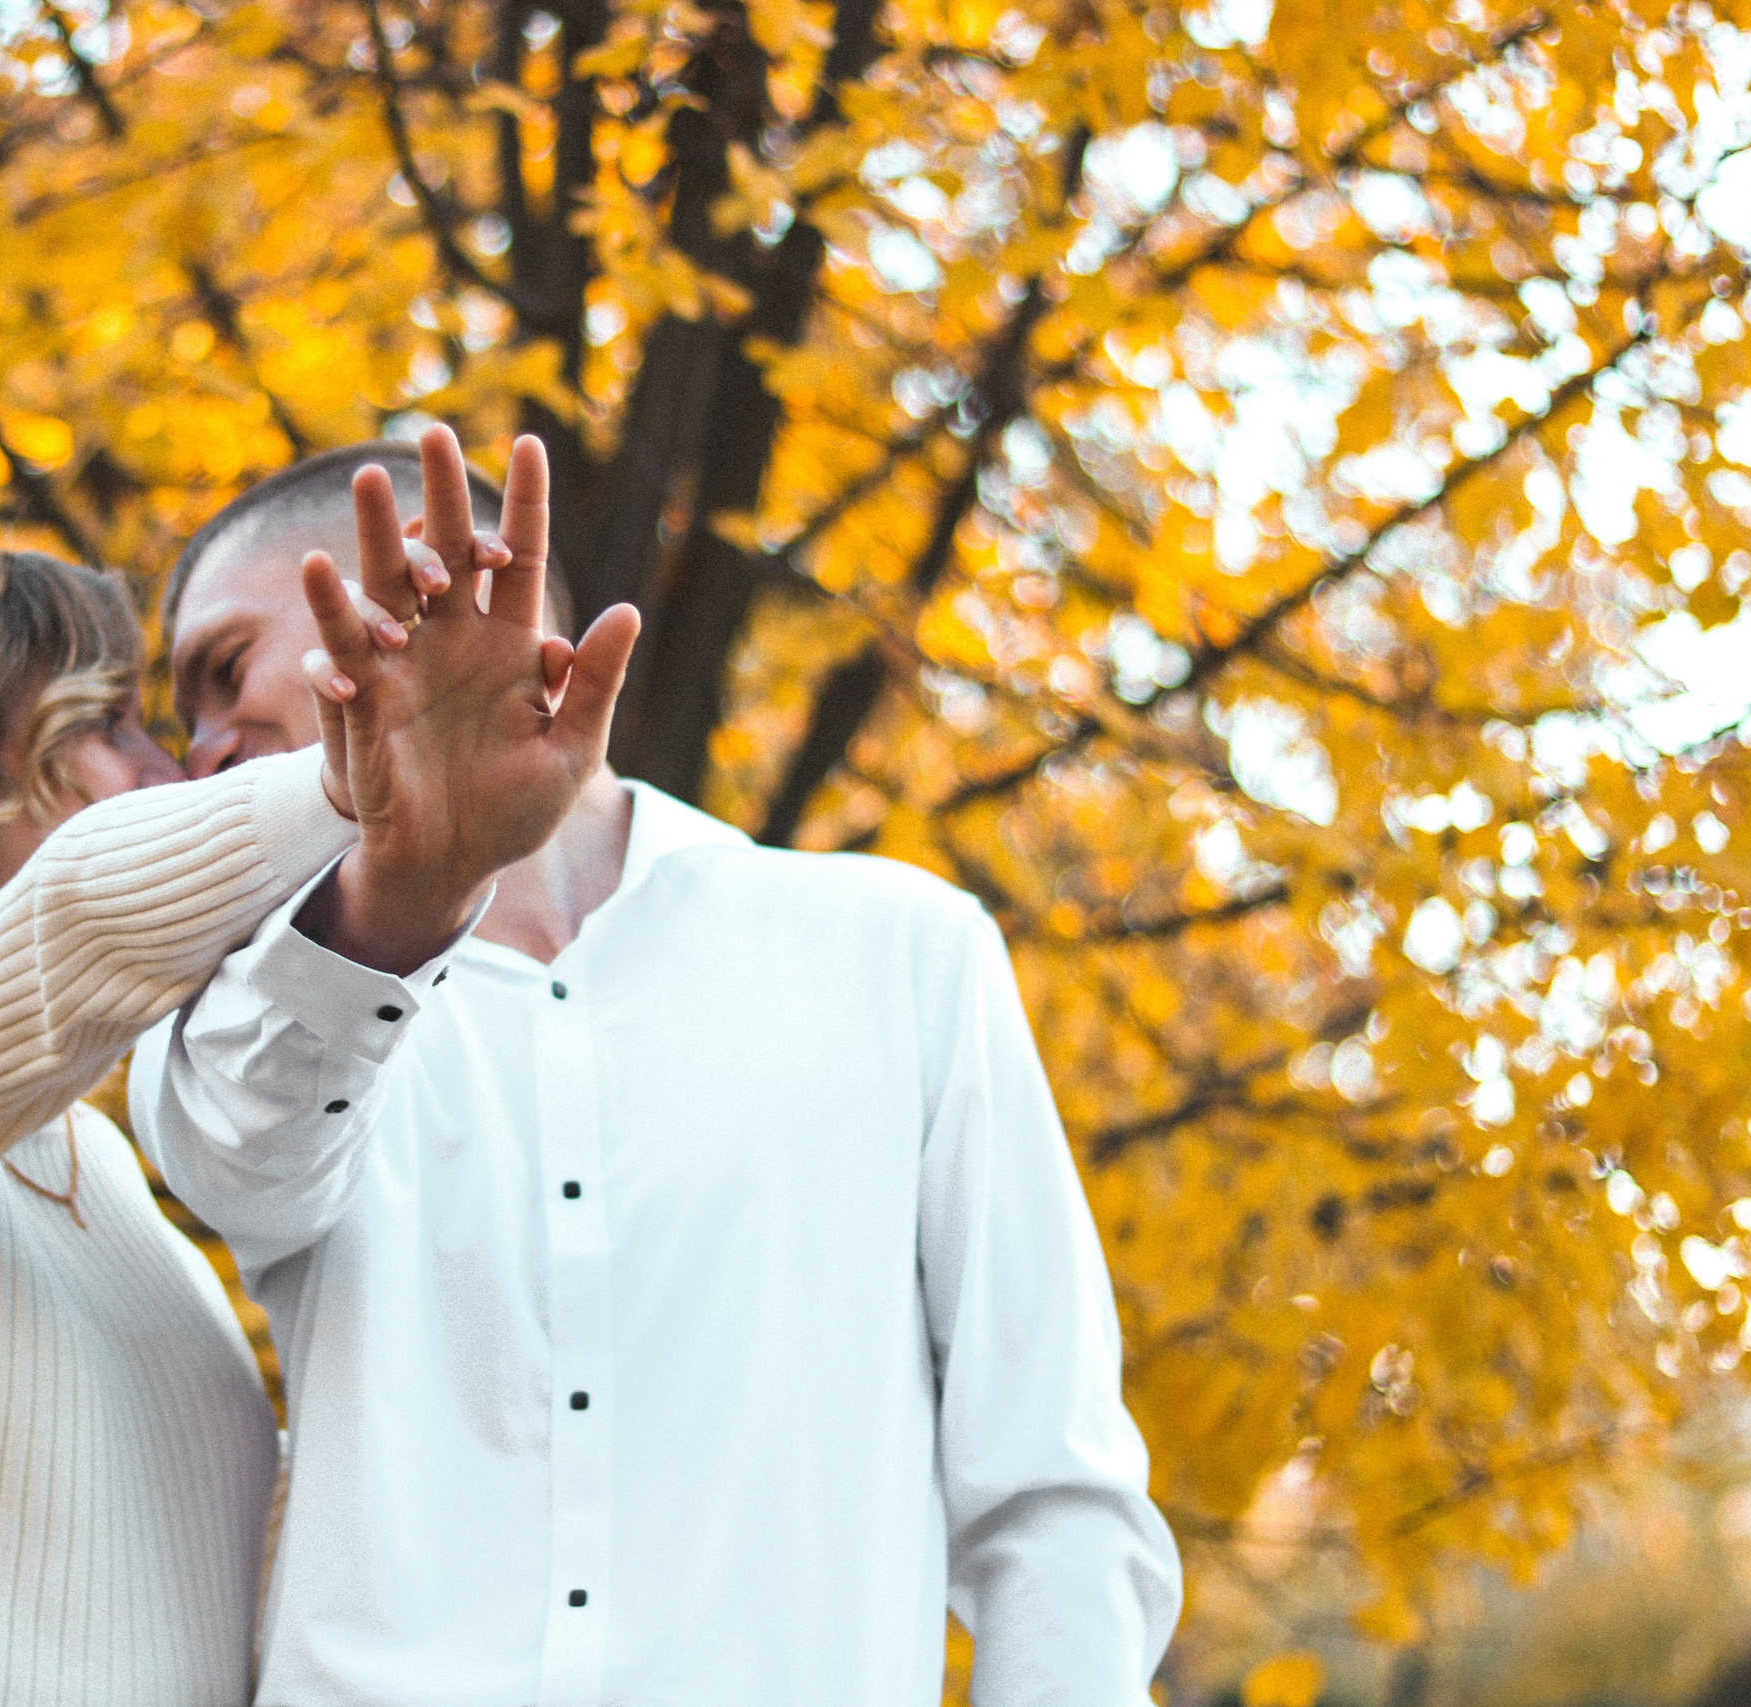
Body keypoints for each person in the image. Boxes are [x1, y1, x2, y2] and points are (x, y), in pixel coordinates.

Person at [137, 425, 1186, 1706]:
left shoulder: (896, 952)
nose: (195, 746)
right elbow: (245, 1169)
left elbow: (1051, 1493)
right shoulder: (236, 996)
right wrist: (408, 889)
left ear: (409, 591)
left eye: (221, 670)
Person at [0, 514, 638, 1705]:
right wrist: (356, 778)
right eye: (104, 725)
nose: (170, 767)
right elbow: (75, 930)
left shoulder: (91, 1167)